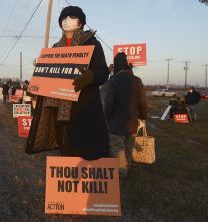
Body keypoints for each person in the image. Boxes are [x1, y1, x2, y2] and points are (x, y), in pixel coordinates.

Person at [26, 6, 110, 160]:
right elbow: (46, 77)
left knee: (86, 153)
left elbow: (104, 73)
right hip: (59, 112)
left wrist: (91, 76)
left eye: (71, 17)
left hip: (84, 109)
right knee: (66, 151)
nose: (66, 21)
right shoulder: (55, 48)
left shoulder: (91, 43)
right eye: (63, 18)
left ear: (80, 22)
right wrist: (36, 87)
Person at [103, 52, 147, 178]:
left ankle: (121, 173)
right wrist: (142, 118)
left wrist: (108, 117)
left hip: (116, 123)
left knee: (118, 148)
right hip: (132, 123)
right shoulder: (137, 81)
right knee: (128, 146)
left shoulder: (113, 81)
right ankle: (128, 167)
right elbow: (143, 103)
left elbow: (108, 104)